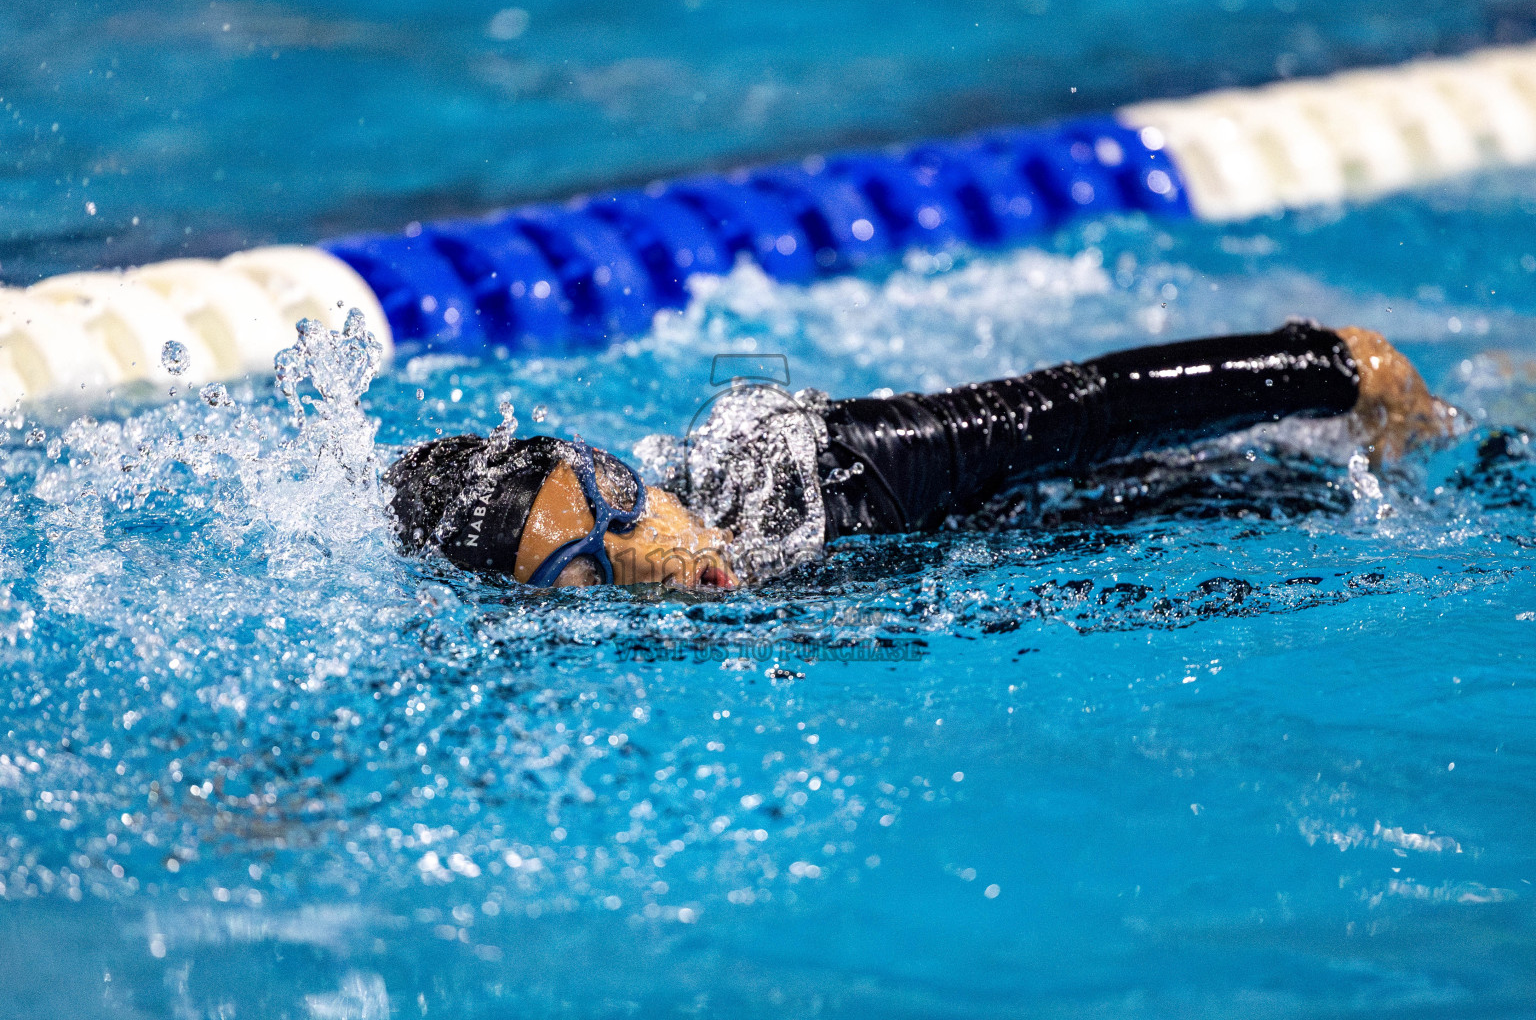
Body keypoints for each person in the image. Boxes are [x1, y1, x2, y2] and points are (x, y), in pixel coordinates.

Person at [384, 321, 1456, 590]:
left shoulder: (809, 473)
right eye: (582, 584)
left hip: (1073, 503)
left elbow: (1066, 410)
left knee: (1345, 493)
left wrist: (1326, 365)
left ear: (623, 472)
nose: (650, 566)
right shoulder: (587, 613)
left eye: (620, 511)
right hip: (1000, 563)